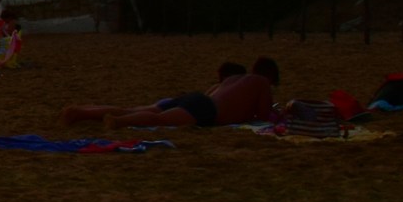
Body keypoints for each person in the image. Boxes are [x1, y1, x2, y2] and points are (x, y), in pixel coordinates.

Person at [62, 56, 282, 130]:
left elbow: (210, 92)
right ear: (270, 75)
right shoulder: (262, 82)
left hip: (198, 98)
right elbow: (263, 118)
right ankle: (119, 122)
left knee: (136, 109)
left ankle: (81, 112)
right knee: (159, 120)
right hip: (207, 109)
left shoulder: (235, 78)